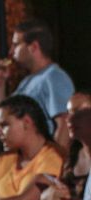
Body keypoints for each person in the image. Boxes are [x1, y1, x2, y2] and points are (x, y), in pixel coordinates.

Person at [10, 19, 75, 149]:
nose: (11, 51)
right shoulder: (26, 81)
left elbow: (64, 124)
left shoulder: (54, 77)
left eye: (16, 45)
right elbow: (6, 117)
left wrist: (53, 162)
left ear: (33, 47)